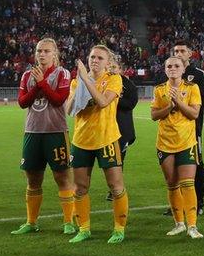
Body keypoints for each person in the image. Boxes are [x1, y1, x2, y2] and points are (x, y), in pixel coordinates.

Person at [64, 45, 129, 244]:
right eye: (92, 57)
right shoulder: (77, 82)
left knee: (115, 186)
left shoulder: (114, 79)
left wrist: (86, 79)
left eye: (100, 58)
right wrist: (81, 81)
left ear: (108, 63)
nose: (95, 60)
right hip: (81, 140)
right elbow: (69, 109)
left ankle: (119, 229)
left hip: (106, 139)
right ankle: (84, 229)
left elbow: (102, 102)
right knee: (80, 187)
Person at [11, 38, 76, 235]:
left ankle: (68, 222)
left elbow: (58, 100)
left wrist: (41, 83)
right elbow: (22, 102)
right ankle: (31, 222)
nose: (41, 54)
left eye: (46, 51)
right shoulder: (26, 75)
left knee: (62, 177)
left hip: (55, 131)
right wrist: (38, 85)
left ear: (55, 53)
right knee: (32, 178)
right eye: (39, 50)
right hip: (32, 131)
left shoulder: (63, 73)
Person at [151, 56, 204, 238]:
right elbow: (154, 115)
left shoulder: (192, 88)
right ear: (165, 70)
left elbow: (194, 114)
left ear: (183, 70)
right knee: (172, 184)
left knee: (188, 184)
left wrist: (179, 103)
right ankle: (179, 224)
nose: (172, 68)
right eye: (169, 66)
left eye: (176, 66)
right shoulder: (159, 90)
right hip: (165, 143)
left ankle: (192, 226)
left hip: (186, 142)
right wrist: (169, 106)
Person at [172, 41, 204, 213]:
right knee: (173, 166)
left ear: (190, 54)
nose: (178, 53)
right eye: (176, 51)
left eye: (182, 51)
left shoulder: (198, 75)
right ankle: (177, 203)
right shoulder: (169, 73)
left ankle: (199, 202)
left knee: (197, 164)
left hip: (193, 130)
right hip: (171, 131)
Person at [107, 59, 138, 201]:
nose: (112, 69)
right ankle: (113, 188)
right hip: (105, 127)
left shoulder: (128, 85)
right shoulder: (105, 80)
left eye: (114, 67)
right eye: (110, 67)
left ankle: (116, 189)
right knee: (109, 160)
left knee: (118, 160)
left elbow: (131, 103)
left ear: (121, 69)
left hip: (122, 129)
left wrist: (115, 98)